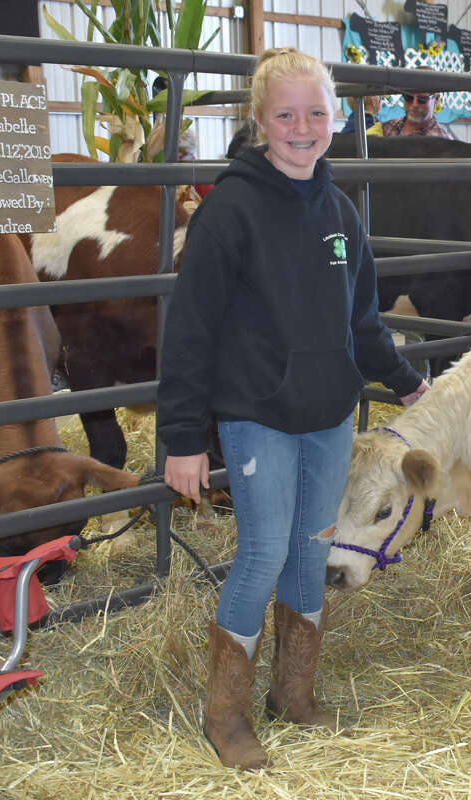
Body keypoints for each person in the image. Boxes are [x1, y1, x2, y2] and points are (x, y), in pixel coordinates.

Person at [156, 46, 428, 771]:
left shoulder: (340, 211)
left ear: (335, 117)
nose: (302, 127)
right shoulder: (230, 213)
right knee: (265, 553)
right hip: (256, 417)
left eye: (316, 112)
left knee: (311, 552)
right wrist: (183, 439)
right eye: (285, 114)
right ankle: (226, 714)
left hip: (330, 416)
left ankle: (294, 693)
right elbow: (189, 333)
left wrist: (408, 384)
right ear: (260, 120)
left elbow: (363, 321)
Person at [381, 68, 454, 138]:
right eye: (408, 97)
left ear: (436, 99)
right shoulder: (386, 127)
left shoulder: (443, 142)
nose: (414, 104)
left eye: (422, 99)